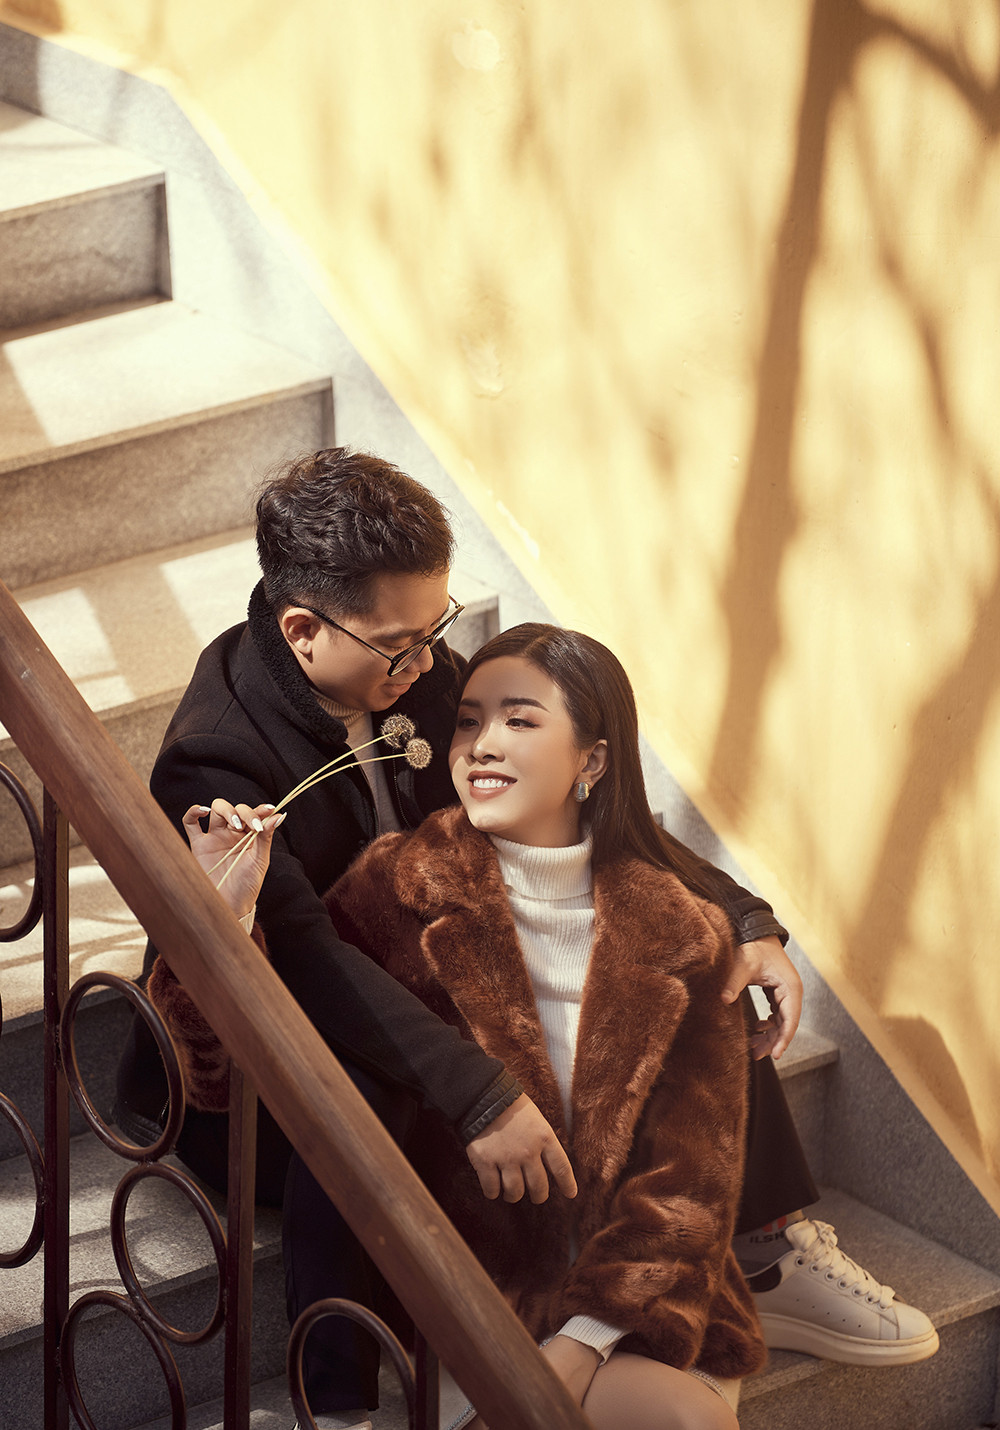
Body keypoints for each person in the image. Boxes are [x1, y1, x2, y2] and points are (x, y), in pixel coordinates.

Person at [119, 448, 935, 1430]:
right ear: (302, 629)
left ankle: (760, 1250)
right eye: (401, 645)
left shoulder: (412, 670)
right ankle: (338, 1397)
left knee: (675, 955)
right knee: (371, 1081)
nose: (429, 664)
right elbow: (308, 967)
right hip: (278, 1067)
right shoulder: (215, 757)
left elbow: (571, 805)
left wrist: (742, 917)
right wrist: (481, 1094)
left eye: (439, 629)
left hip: (429, 976)